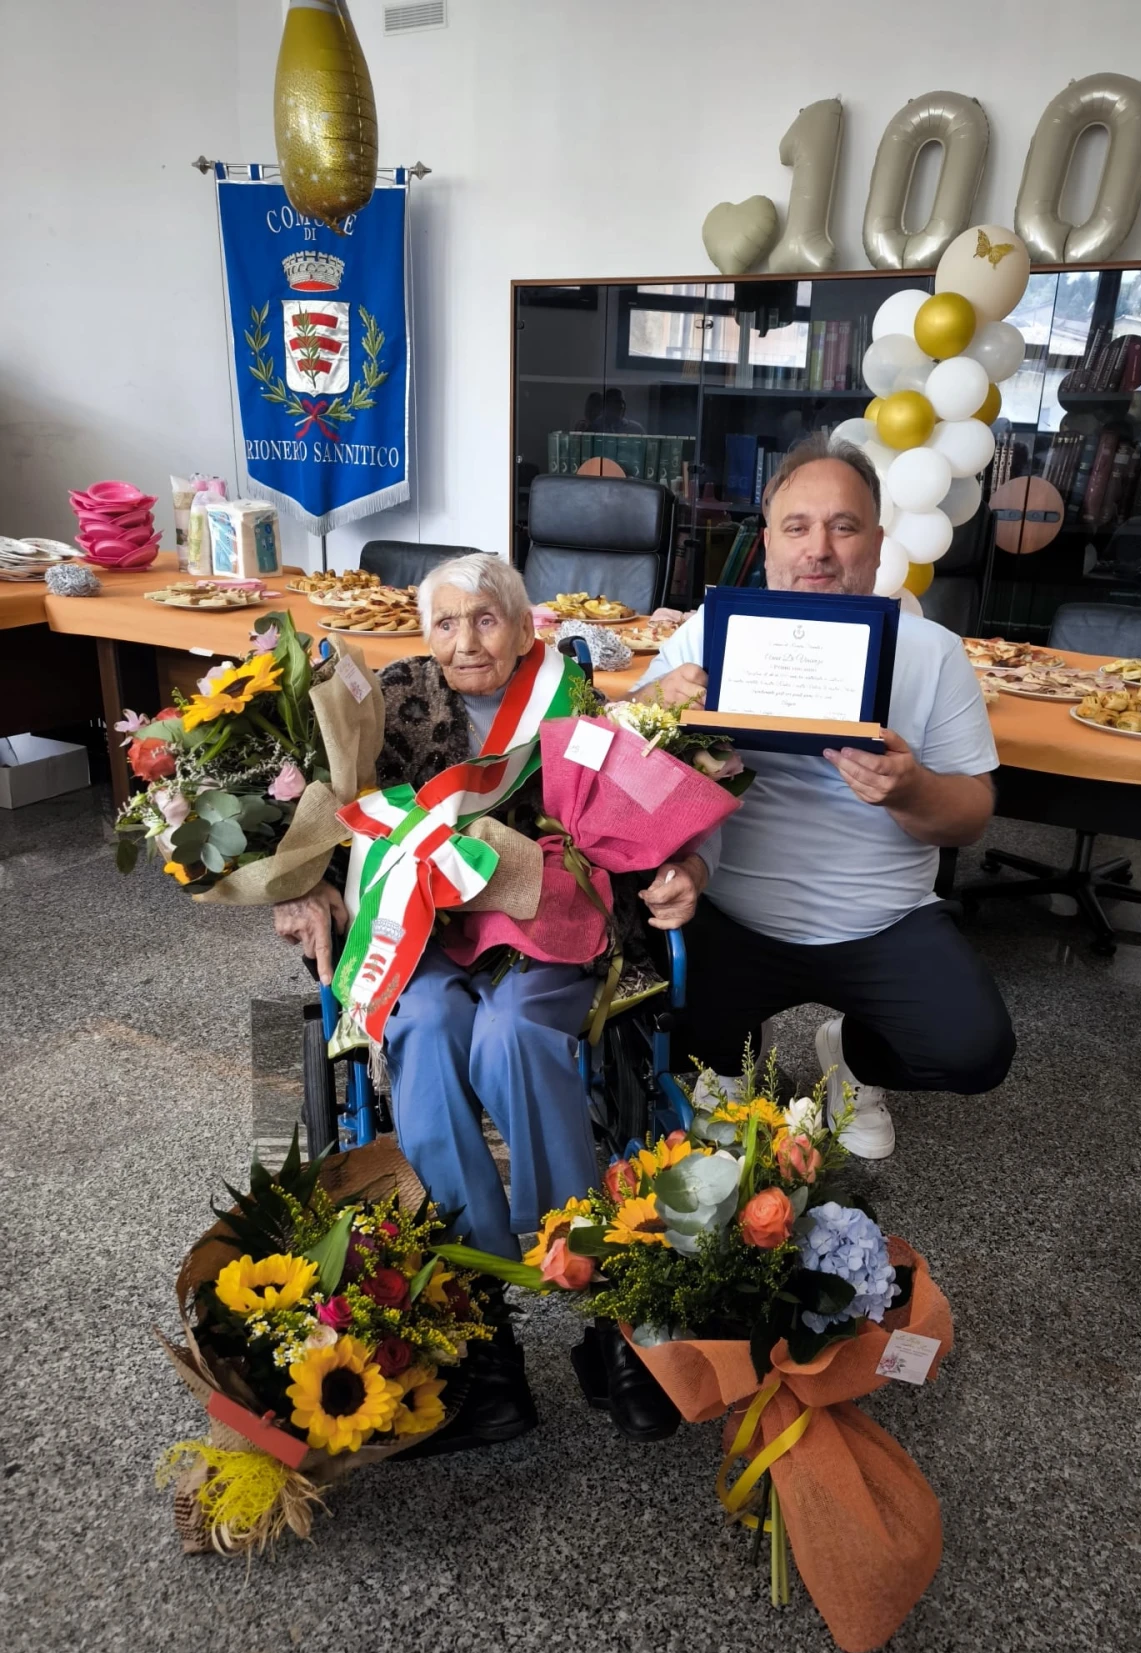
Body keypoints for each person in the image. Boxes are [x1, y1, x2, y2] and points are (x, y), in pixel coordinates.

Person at [272, 554, 690, 1444]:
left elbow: (637, 806)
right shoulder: (385, 698)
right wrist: (300, 883)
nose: (467, 640)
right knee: (425, 1027)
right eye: (447, 622)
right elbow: (313, 808)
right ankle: (477, 1310)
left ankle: (595, 1292)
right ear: (425, 632)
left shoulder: (569, 694)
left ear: (525, 625)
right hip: (423, 933)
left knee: (512, 1035)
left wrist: (680, 863)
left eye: (488, 619)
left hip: (541, 923)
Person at [632, 434, 1015, 1158]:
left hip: (884, 920)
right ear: (767, 544)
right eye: (797, 527)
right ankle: (731, 1052)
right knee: (649, 1009)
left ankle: (851, 1059)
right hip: (730, 912)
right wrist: (654, 708)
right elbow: (623, 767)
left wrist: (911, 791)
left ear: (878, 545)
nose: (819, 550)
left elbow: (972, 815)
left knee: (974, 1051)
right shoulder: (708, 636)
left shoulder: (932, 652)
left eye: (844, 527)